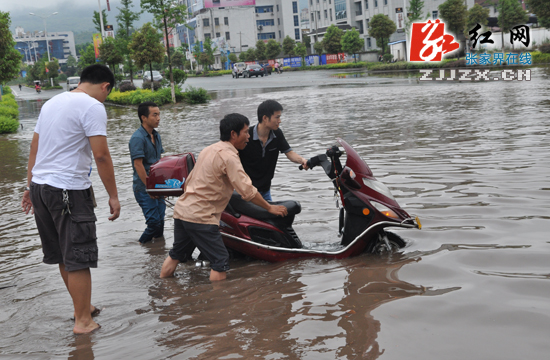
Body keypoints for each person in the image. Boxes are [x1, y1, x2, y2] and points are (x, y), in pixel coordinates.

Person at [21, 64, 120, 334]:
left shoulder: (53, 102)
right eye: (107, 94)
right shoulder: (92, 106)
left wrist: (29, 187)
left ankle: (83, 308)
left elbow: (34, 148)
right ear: (105, 87)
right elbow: (101, 155)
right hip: (67, 191)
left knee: (65, 255)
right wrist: (113, 195)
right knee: (79, 256)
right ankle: (83, 322)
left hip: (41, 187)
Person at [160, 113, 288, 281]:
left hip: (183, 210)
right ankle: (219, 303)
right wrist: (270, 207)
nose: (249, 137)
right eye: (245, 132)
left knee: (176, 254)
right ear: (233, 134)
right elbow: (247, 191)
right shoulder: (229, 157)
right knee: (220, 260)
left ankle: (163, 288)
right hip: (201, 216)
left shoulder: (209, 149)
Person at [238, 100, 308, 202]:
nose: (280, 121)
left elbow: (289, 153)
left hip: (265, 190)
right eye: (277, 117)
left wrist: (302, 160)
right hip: (246, 192)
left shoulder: (277, 134)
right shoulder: (247, 136)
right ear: (265, 118)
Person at [129, 102, 166, 244]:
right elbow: (138, 164)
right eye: (154, 115)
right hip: (144, 188)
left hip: (158, 185)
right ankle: (141, 245)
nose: (158, 118)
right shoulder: (137, 138)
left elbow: (159, 161)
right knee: (154, 223)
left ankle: (157, 253)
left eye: (159, 114)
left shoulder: (156, 136)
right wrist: (150, 187)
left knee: (161, 224)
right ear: (144, 118)